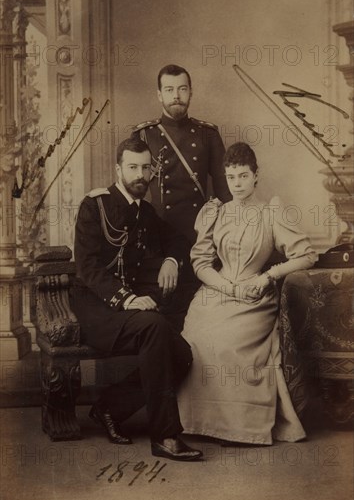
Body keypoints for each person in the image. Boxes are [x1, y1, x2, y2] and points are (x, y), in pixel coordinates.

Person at [71, 136, 202, 461]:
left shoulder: (146, 212)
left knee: (182, 355)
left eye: (146, 168)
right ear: (118, 169)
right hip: (97, 309)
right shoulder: (96, 205)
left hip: (131, 312)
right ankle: (166, 436)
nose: (140, 175)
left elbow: (179, 239)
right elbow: (87, 267)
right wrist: (126, 298)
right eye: (133, 167)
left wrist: (172, 260)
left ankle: (108, 408)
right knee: (154, 327)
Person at [177, 142, 318, 445]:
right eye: (231, 177)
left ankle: (238, 426)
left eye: (243, 176)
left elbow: (307, 255)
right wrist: (226, 286)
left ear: (256, 175)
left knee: (230, 343)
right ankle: (196, 422)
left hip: (255, 295)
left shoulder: (271, 213)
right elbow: (200, 262)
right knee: (196, 339)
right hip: (218, 290)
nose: (237, 184)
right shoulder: (216, 212)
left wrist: (267, 277)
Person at [131, 64, 231, 324]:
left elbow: (225, 193)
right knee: (163, 312)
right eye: (169, 89)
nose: (176, 95)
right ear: (159, 95)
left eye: (182, 89)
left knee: (199, 314)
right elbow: (131, 195)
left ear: (190, 93)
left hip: (200, 236)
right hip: (157, 238)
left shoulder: (208, 134)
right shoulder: (143, 134)